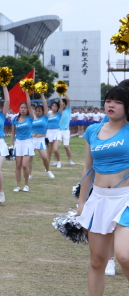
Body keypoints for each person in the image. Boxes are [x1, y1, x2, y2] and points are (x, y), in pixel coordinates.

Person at [77, 86, 129, 295]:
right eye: (108, 101)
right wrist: (82, 202)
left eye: (118, 102)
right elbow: (87, 168)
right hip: (99, 199)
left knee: (124, 256)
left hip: (125, 199)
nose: (111, 105)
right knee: (97, 261)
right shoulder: (93, 131)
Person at [10, 91, 33, 192]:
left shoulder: (30, 117)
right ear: (19, 109)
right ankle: (18, 185)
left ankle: (26, 185)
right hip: (18, 143)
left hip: (27, 142)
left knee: (24, 165)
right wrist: (11, 144)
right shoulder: (15, 119)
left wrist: (27, 92)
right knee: (18, 165)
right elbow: (12, 133)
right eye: (21, 108)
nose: (23, 109)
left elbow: (29, 104)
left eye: (25, 108)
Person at [29, 92, 55, 180]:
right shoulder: (32, 117)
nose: (37, 112)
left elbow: (45, 104)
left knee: (44, 157)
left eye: (39, 111)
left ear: (43, 111)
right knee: (30, 157)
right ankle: (29, 174)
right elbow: (29, 106)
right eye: (36, 111)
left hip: (40, 139)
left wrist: (42, 95)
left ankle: (48, 170)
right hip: (32, 139)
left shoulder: (45, 117)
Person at [59, 95, 76, 166]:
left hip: (66, 130)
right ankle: (57, 161)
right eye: (61, 104)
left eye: (63, 104)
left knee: (66, 146)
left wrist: (63, 92)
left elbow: (68, 99)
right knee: (56, 147)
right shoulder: (59, 111)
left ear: (65, 104)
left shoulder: (68, 109)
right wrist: (59, 97)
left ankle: (70, 160)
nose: (62, 105)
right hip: (58, 131)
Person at [47, 100, 63, 169]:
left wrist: (60, 96)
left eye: (56, 106)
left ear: (58, 108)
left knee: (55, 149)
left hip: (56, 132)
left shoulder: (59, 114)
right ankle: (47, 166)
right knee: (49, 151)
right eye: (53, 106)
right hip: (48, 132)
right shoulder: (48, 114)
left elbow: (61, 105)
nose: (54, 107)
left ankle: (58, 161)